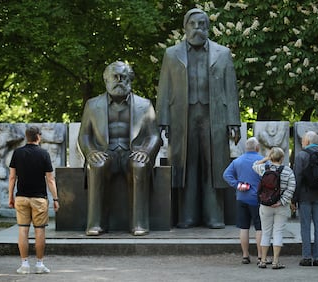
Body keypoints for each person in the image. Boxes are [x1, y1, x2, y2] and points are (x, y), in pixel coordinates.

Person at [156, 8, 241, 229]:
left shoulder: (222, 53)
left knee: (213, 165)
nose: (197, 28)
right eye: (192, 24)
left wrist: (234, 121)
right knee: (186, 165)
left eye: (202, 24)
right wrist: (162, 120)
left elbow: (230, 89)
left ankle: (215, 215)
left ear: (208, 27)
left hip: (215, 116)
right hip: (182, 117)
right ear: (185, 28)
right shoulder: (171, 54)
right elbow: (164, 89)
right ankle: (188, 215)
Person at [78, 61, 161, 236]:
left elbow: (154, 136)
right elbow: (84, 136)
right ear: (105, 79)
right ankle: (95, 224)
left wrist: (145, 152)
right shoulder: (92, 105)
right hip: (105, 152)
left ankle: (139, 223)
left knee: (139, 165)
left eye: (123, 77)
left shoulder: (144, 105)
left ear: (130, 79)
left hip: (132, 152)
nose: (119, 80)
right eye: (114, 77)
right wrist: (91, 152)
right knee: (98, 166)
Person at [8, 126, 60, 274]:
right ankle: (39, 264)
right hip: (39, 199)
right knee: (39, 231)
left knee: (23, 230)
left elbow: (12, 177)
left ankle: (24, 265)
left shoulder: (17, 153)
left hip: (21, 198)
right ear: (38, 136)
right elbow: (50, 179)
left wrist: (10, 196)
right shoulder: (44, 154)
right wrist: (55, 198)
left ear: (27, 137)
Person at [292, 131, 318, 267]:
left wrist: (294, 198)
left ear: (307, 142)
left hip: (304, 196)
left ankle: (306, 257)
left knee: (305, 227)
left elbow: (296, 178)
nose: (302, 143)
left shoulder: (301, 155)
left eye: (303, 140)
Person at [223, 137, 264, 265]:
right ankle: (260, 256)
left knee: (243, 228)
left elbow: (226, 175)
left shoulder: (238, 161)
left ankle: (245, 255)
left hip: (241, 197)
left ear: (246, 148)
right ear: (257, 148)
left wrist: (237, 185)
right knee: (259, 228)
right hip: (257, 199)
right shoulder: (262, 161)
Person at [252, 147, 296, 269]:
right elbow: (291, 188)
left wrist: (266, 158)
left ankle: (263, 260)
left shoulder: (264, 169)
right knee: (278, 232)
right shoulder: (288, 171)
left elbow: (254, 165)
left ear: (271, 157)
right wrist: (281, 202)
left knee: (265, 232)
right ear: (282, 158)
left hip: (265, 205)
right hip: (281, 206)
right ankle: (276, 262)